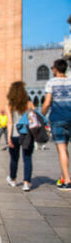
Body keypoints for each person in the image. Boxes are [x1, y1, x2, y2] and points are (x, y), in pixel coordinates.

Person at [41, 59, 71, 190]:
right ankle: (64, 176)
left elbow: (47, 103)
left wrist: (41, 115)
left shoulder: (51, 82)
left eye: (52, 67)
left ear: (56, 69)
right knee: (66, 150)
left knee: (62, 150)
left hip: (58, 119)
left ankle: (68, 181)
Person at [6, 81, 35, 192]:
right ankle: (26, 183)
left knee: (14, 159)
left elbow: (10, 122)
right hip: (27, 134)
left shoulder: (10, 105)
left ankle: (13, 180)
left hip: (15, 134)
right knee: (27, 158)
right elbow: (33, 119)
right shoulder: (29, 104)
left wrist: (8, 137)